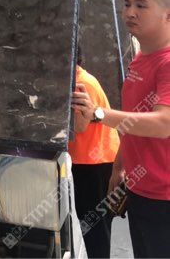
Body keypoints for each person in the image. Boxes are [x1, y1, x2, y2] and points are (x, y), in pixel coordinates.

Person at [72, 0, 170, 259]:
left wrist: (99, 114)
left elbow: (164, 124)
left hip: (164, 193)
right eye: (127, 4)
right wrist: (119, 166)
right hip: (141, 187)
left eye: (141, 6)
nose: (130, 12)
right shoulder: (140, 60)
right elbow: (134, 120)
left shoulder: (167, 63)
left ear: (168, 15)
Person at [69, 46, 120, 258]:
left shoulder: (81, 83)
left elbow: (79, 126)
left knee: (94, 225)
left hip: (95, 162)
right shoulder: (75, 79)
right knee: (89, 222)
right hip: (86, 159)